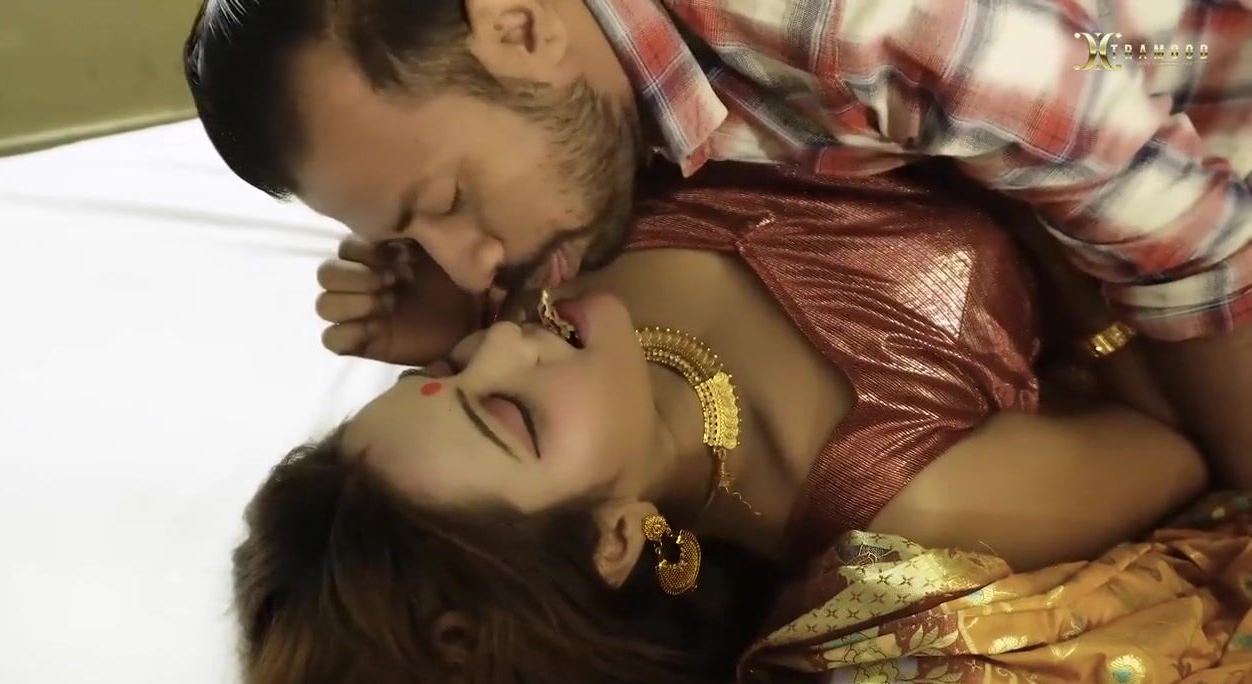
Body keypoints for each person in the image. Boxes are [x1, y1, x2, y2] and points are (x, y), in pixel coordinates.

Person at [232, 162, 1222, 684]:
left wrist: (462, 285)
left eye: (442, 371)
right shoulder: (906, 490)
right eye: (504, 415)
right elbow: (1179, 432)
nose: (501, 347)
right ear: (616, 538)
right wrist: (1044, 177)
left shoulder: (524, 268)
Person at [183, 0, 1252, 487]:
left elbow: (1199, 249)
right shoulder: (577, 108)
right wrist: (467, 312)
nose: (466, 258)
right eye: (406, 233)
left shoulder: (866, 24)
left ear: (517, 26)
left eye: (449, 198)